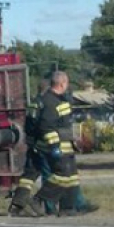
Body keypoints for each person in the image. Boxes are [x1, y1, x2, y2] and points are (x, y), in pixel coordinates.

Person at [32, 71, 87, 215]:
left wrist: (74, 140)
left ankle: (67, 208)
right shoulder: (49, 101)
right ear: (62, 83)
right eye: (67, 83)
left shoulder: (60, 100)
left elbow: (66, 123)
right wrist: (55, 146)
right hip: (58, 146)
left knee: (72, 177)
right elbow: (46, 126)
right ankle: (38, 199)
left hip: (67, 145)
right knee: (61, 176)